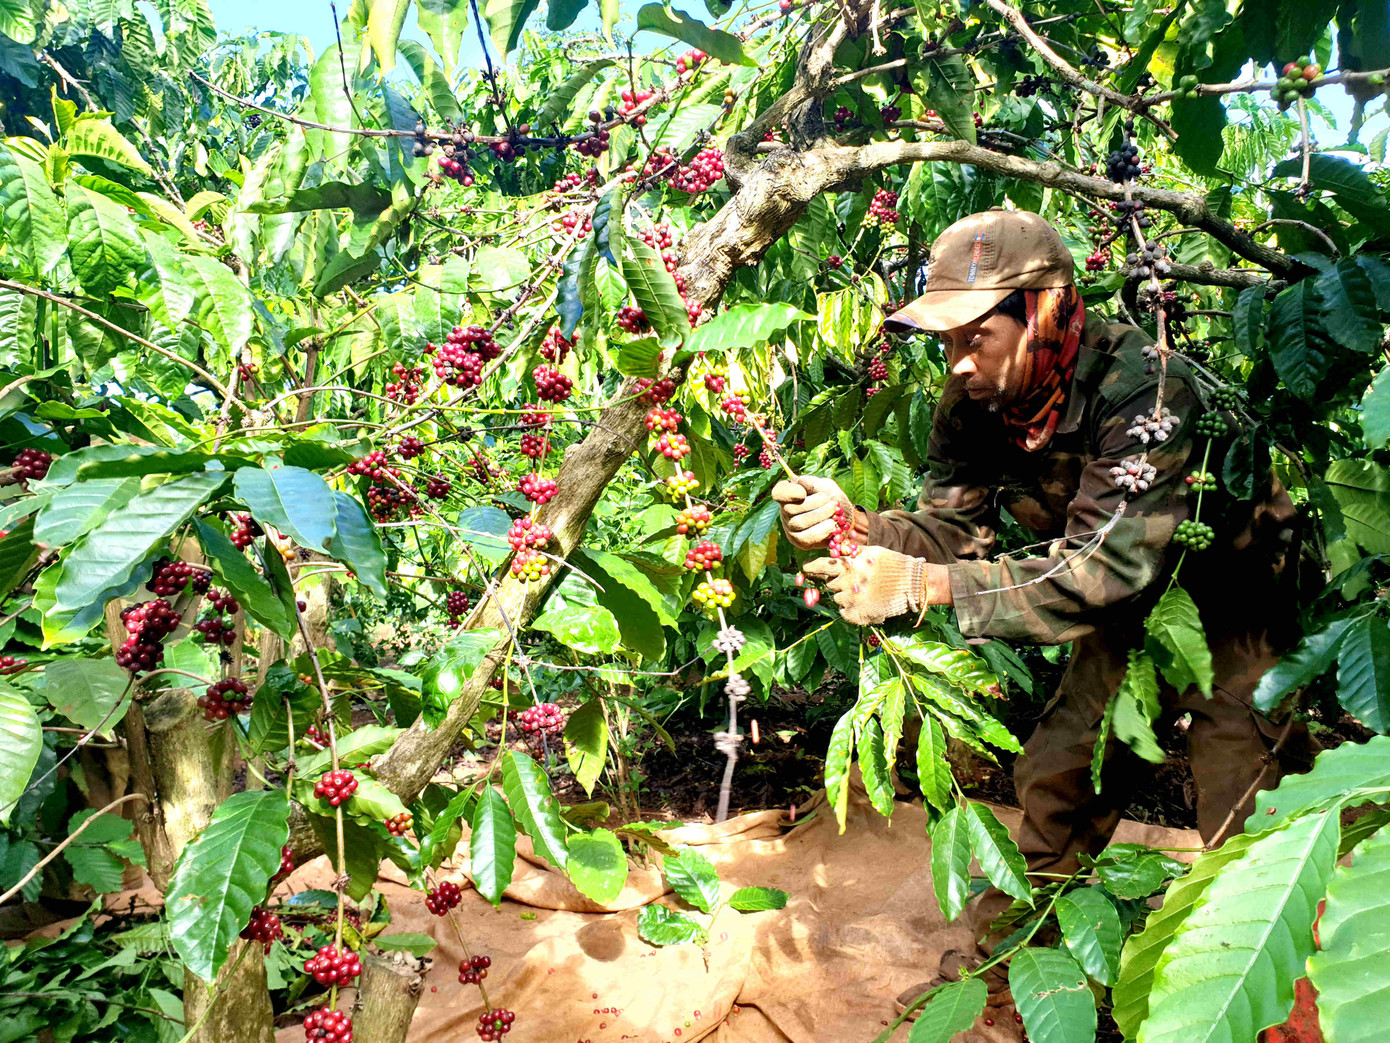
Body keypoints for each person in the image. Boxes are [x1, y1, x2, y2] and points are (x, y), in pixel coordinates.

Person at [773, 209, 1314, 1011]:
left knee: (1256, 828)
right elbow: (952, 529)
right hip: (1130, 618)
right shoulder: (974, 399)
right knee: (1057, 780)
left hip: (1236, 612)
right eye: (946, 341)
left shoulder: (1147, 387)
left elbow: (1106, 567)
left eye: (973, 336)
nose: (956, 363)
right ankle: (1010, 988)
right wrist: (862, 529)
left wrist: (920, 586)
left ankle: (1293, 1010)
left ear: (1048, 312)